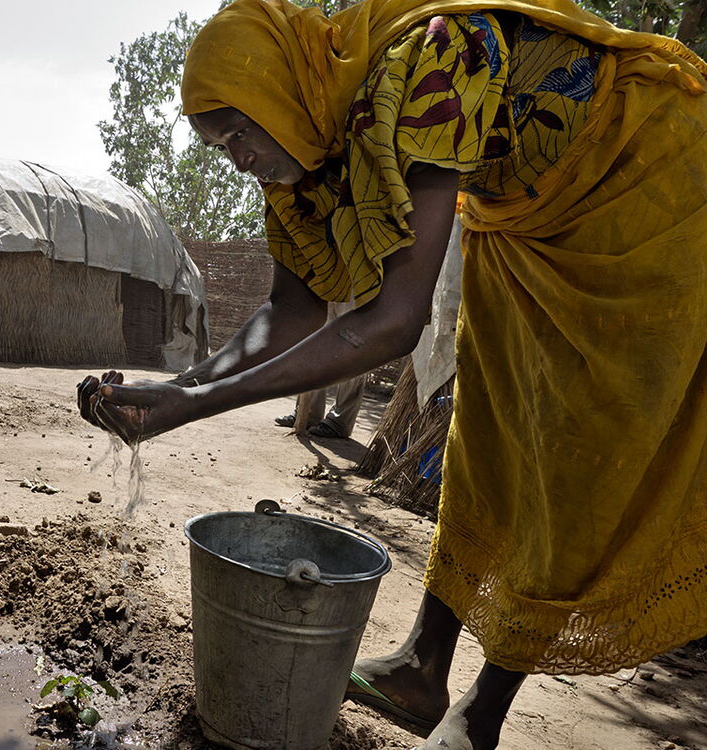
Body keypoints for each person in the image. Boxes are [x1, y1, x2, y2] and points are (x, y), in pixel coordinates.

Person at [76, 1, 707, 748]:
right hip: (520, 219)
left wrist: (199, 404)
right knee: (488, 434)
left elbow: (392, 321)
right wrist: (174, 391)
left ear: (280, 86)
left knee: (579, 453)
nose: (238, 157)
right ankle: (420, 667)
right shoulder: (304, 152)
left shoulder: (434, 59)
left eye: (240, 132)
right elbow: (289, 309)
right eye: (221, 147)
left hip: (646, 177)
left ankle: (483, 713)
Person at [274, 301, 367, 437]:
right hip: (330, 286)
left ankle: (339, 422)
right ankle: (307, 413)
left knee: (354, 347)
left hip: (360, 287)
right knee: (317, 343)